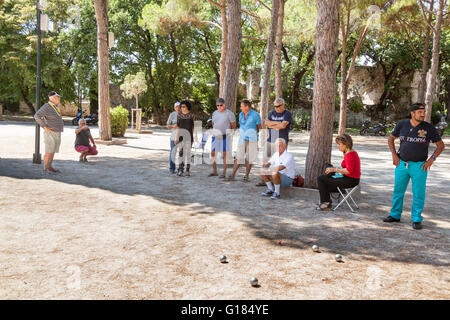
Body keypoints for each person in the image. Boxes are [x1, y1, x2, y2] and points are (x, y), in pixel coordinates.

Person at [383, 103, 445, 230]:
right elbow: (390, 139)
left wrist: (431, 160)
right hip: (401, 164)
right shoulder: (402, 124)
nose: (423, 114)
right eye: (420, 112)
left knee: (418, 193)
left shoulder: (429, 128)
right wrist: (394, 155)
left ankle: (416, 219)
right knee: (398, 191)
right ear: (413, 113)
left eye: (424, 112)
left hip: (419, 166)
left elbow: (441, 145)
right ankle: (395, 215)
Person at [316, 134, 361, 211]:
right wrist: (332, 169)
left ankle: (326, 203)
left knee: (321, 179)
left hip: (351, 180)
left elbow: (348, 171)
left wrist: (334, 169)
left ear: (345, 144)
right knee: (326, 177)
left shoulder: (349, 154)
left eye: (339, 144)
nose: (338, 146)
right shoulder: (350, 152)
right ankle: (327, 202)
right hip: (350, 179)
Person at [256, 97, 292, 186]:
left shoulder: (287, 114)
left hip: (281, 141)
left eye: (279, 106)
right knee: (265, 160)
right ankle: (265, 180)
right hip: (270, 140)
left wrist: (273, 124)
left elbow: (283, 126)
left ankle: (276, 181)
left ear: (283, 105)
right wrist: (277, 123)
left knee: (278, 161)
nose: (276, 108)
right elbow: (266, 123)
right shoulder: (272, 113)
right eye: (275, 106)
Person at [226, 100, 261, 182]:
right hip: (242, 139)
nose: (240, 107)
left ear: (247, 107)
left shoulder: (255, 115)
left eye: (242, 106)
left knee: (249, 158)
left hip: (252, 140)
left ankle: (246, 176)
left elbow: (259, 127)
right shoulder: (241, 114)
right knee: (238, 157)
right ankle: (232, 175)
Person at [34, 91, 64, 173]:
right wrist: (44, 126)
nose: (59, 98)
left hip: (57, 132)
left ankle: (49, 167)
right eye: (58, 97)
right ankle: (45, 169)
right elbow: (37, 116)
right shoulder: (47, 106)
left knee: (53, 150)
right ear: (53, 98)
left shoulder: (55, 106)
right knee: (49, 151)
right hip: (50, 132)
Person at [210, 97, 236, 178]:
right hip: (215, 136)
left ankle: (224, 173)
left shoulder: (229, 113)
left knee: (225, 154)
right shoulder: (214, 113)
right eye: (217, 105)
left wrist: (229, 134)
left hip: (225, 136)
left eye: (220, 105)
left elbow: (233, 125)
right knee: (213, 153)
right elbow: (213, 123)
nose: (219, 107)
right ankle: (215, 171)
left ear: (224, 105)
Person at [175, 100, 195, 177]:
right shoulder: (179, 115)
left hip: (189, 136)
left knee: (188, 154)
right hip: (181, 137)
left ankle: (187, 170)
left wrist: (195, 136)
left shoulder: (192, 115)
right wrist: (176, 138)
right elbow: (178, 127)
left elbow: (195, 127)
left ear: (187, 107)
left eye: (183, 106)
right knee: (180, 154)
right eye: (181, 107)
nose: (182, 108)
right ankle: (180, 170)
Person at [167, 102, 181, 174]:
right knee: (173, 152)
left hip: (182, 137)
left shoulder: (184, 114)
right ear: (174, 108)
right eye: (176, 107)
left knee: (181, 153)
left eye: (179, 106)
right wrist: (173, 126)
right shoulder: (172, 115)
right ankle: (172, 168)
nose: (178, 108)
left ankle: (180, 169)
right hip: (173, 137)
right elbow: (168, 126)